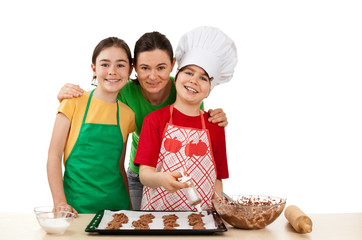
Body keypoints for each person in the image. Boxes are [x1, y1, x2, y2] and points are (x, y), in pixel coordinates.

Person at [57, 31, 228, 210]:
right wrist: (70, 97)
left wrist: (217, 117)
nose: (153, 77)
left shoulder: (184, 89)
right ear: (134, 68)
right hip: (139, 173)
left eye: (161, 68)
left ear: (172, 65)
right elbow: (102, 92)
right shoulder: (124, 91)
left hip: (184, 180)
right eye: (145, 68)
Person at [134, 26, 238, 211]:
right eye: (188, 73)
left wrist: (220, 211)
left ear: (209, 90)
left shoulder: (215, 126)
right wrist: (161, 179)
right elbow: (145, 175)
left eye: (203, 78)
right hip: (157, 217)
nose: (193, 81)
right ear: (176, 77)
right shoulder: (154, 120)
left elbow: (217, 179)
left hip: (202, 218)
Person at [47, 37, 135, 214]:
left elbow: (119, 167)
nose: (112, 71)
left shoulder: (127, 114)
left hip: (118, 209)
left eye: (120, 65)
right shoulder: (72, 103)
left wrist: (131, 210)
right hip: (77, 208)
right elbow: (53, 157)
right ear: (93, 68)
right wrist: (60, 203)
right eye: (105, 64)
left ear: (130, 70)